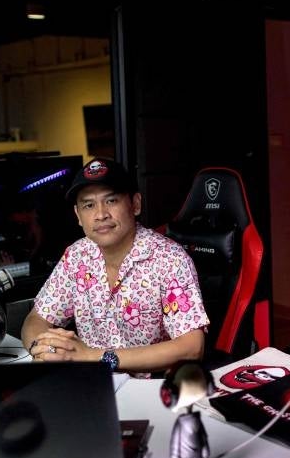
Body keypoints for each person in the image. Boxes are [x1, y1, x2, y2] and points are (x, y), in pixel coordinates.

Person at [21, 157, 208, 373]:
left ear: (135, 204)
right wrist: (44, 348)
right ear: (78, 216)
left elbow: (192, 347)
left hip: (151, 389)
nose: (101, 214)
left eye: (111, 201)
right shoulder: (76, 256)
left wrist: (93, 357)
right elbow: (36, 319)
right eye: (89, 205)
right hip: (92, 384)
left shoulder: (170, 259)